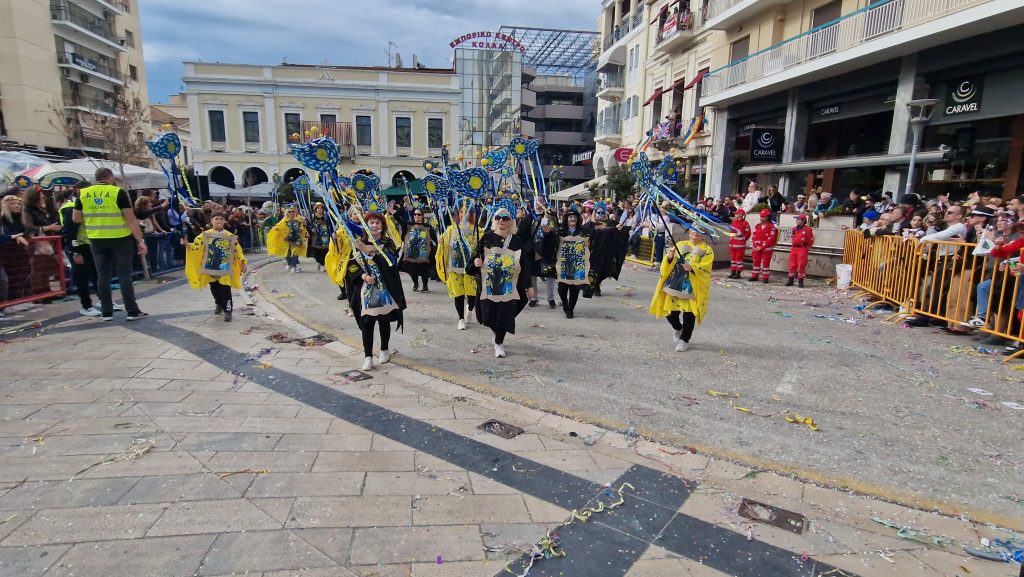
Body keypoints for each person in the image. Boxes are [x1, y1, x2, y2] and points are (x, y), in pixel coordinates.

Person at [71, 167, 149, 321]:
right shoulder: (117, 192)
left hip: (96, 239)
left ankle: (106, 312)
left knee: (103, 276)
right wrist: (140, 240)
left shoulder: (84, 194)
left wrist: (94, 216)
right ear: (111, 177)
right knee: (124, 275)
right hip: (120, 238)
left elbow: (76, 219)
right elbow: (131, 219)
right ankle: (132, 311)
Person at [467, 205, 534, 358]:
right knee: (488, 316)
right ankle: (496, 331)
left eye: (505, 218)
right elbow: (473, 261)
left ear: (511, 222)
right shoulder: (487, 237)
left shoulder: (516, 241)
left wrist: (528, 286)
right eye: (498, 218)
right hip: (489, 287)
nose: (501, 221)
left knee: (505, 314)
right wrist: (476, 263)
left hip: (509, 287)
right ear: (494, 220)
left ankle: (499, 342)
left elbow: (524, 264)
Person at [344, 212, 407, 371]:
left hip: (385, 288)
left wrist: (372, 252)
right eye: (371, 222)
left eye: (377, 223)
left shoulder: (388, 243)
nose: (374, 225)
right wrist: (364, 276)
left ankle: (384, 349)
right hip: (365, 290)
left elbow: (391, 263)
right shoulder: (358, 243)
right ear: (366, 225)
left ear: (382, 226)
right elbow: (352, 266)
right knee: (367, 323)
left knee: (384, 320)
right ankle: (368, 356)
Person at [648, 227, 714, 352]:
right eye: (693, 231)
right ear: (689, 233)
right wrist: (669, 258)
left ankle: (685, 339)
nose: (695, 234)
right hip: (675, 283)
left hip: (691, 286)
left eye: (698, 232)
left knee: (689, 314)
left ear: (703, 236)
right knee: (670, 313)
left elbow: (706, 267)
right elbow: (667, 262)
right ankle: (678, 328)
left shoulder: (707, 250)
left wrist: (693, 267)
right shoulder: (680, 244)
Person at [183, 212, 247, 321]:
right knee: (215, 287)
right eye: (216, 218)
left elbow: (237, 250)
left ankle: (228, 311)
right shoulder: (204, 235)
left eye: (221, 219)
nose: (219, 221)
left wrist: (242, 262)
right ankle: (218, 302)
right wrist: (187, 244)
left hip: (225, 266)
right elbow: (196, 246)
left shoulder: (230, 236)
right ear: (211, 220)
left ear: (224, 221)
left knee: (225, 288)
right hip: (210, 266)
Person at [436, 204, 482, 330]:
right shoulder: (451, 229)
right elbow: (444, 245)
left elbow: (482, 245)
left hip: (470, 268)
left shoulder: (477, 230)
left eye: (467, 212)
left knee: (472, 293)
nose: (463, 214)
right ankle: (461, 319)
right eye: (461, 212)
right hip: (454, 267)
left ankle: (470, 309)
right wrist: (441, 242)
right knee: (458, 294)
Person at [583, 202, 628, 297]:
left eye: (602, 213)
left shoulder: (611, 223)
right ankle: (593, 287)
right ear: (595, 213)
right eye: (598, 212)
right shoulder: (590, 224)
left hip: (607, 252)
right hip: (593, 252)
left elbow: (620, 231)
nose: (600, 215)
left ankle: (597, 284)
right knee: (593, 270)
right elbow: (584, 233)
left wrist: (621, 229)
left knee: (604, 269)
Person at [556, 209, 590, 318]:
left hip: (578, 263)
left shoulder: (583, 231)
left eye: (575, 217)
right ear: (566, 219)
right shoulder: (560, 231)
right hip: (563, 264)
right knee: (562, 288)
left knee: (574, 289)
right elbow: (550, 239)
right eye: (570, 217)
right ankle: (565, 304)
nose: (573, 219)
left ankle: (570, 309)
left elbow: (597, 234)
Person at [400, 207, 436, 292]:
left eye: (419, 214)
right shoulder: (409, 224)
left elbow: (434, 238)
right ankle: (416, 284)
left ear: (422, 216)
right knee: (412, 270)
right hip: (411, 253)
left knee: (424, 270)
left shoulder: (427, 226)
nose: (416, 216)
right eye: (415, 214)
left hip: (424, 253)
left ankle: (425, 286)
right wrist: (393, 212)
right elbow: (400, 220)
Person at [529, 209, 558, 308]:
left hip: (548, 251)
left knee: (549, 276)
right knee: (533, 275)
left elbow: (555, 235)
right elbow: (530, 234)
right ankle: (533, 298)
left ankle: (551, 299)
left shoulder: (552, 219)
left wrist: (548, 232)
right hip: (535, 251)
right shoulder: (534, 219)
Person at [267, 205, 307, 273]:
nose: (291, 213)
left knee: (295, 253)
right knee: (287, 254)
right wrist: (276, 229)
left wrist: (301, 230)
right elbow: (279, 226)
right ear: (287, 212)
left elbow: (303, 228)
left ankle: (294, 266)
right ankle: (290, 264)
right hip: (287, 240)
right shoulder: (284, 220)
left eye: (292, 212)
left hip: (296, 239)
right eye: (289, 212)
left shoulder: (298, 220)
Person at [749, 209, 778, 283]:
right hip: (756, 248)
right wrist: (755, 245)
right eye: (761, 216)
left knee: (765, 263)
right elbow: (754, 236)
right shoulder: (758, 226)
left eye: (763, 217)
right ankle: (754, 276)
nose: (761, 218)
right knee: (756, 262)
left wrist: (761, 247)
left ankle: (765, 277)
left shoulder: (771, 227)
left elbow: (771, 238)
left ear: (767, 217)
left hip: (767, 249)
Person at [787, 214, 814, 287]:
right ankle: (790, 280)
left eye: (798, 219)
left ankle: (800, 281)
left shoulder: (808, 229)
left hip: (802, 248)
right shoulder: (794, 229)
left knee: (801, 265)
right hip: (794, 248)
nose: (796, 221)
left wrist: (807, 248)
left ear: (803, 221)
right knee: (792, 265)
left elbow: (810, 240)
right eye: (796, 219)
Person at [306, 203, 331, 273]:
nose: (320, 209)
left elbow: (330, 226)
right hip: (315, 238)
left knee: (324, 252)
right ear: (316, 209)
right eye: (318, 208)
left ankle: (323, 265)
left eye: (321, 208)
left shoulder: (326, 217)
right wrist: (311, 230)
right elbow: (308, 226)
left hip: (325, 238)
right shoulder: (312, 217)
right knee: (315, 253)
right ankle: (319, 262)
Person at [727, 209, 750, 279]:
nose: (735, 215)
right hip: (732, 244)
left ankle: (738, 273)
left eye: (736, 214)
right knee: (733, 259)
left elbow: (748, 233)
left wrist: (743, 239)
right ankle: (733, 272)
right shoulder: (733, 222)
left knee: (738, 260)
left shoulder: (745, 223)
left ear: (741, 215)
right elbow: (731, 231)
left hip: (740, 245)